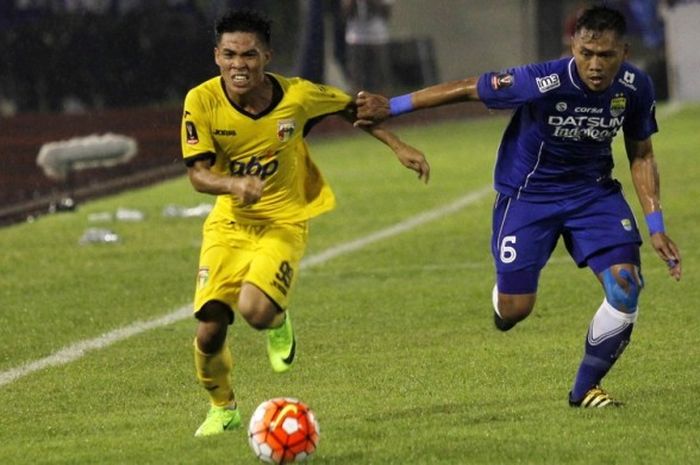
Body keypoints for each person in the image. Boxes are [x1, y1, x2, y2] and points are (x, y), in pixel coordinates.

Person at [355, 5, 681, 407]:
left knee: (626, 285)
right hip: (528, 198)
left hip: (593, 195)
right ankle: (503, 301)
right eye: (586, 53)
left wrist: (656, 223)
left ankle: (584, 391)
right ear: (572, 47)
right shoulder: (541, 80)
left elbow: (642, 153)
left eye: (606, 55)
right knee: (516, 309)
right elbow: (468, 87)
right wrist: (393, 106)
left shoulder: (635, 86)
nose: (595, 65)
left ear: (624, 53)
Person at [181, 9, 429, 437]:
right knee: (209, 329)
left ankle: (277, 321)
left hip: (283, 221)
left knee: (256, 313)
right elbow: (198, 174)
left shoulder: (297, 97)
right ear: (217, 57)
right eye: (230, 55)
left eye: (250, 55)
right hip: (228, 224)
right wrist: (234, 185)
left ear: (267, 57)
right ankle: (223, 408)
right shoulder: (200, 100)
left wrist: (397, 145)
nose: (240, 64)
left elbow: (352, 109)